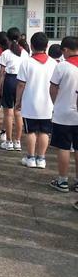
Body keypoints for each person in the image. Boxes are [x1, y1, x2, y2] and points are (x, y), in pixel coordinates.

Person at [15, 32, 56, 169]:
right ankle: (41, 159)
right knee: (44, 132)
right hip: (48, 104)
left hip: (30, 103)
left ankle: (31, 157)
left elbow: (21, 84)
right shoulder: (53, 63)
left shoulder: (27, 62)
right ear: (46, 46)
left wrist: (18, 101)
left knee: (31, 131)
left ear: (31, 46)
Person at [48, 36, 78, 194]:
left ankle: (63, 181)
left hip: (64, 113)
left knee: (64, 147)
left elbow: (53, 88)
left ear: (65, 50)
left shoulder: (62, 67)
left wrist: (56, 103)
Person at [0, 27, 29, 151]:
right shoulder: (25, 53)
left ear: (8, 39)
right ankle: (18, 142)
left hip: (9, 81)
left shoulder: (5, 53)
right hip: (21, 81)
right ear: (20, 37)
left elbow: (1, 73)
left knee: (8, 113)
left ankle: (9, 141)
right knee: (18, 112)